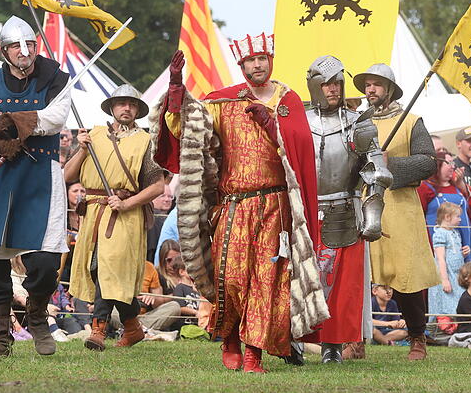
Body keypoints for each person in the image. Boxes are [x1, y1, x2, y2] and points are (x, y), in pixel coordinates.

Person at [155, 34, 328, 373]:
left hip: (275, 206)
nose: (257, 65)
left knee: (266, 280)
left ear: (270, 60)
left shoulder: (287, 100)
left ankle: (253, 355)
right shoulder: (221, 102)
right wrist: (176, 91)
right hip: (233, 206)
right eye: (250, 61)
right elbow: (189, 131)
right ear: (242, 65)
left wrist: (273, 126)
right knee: (230, 277)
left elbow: (302, 152)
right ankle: (231, 340)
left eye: (262, 58)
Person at [0, 15, 71, 357]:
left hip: (41, 176)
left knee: (44, 259)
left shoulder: (54, 77)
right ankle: (0, 335)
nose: (24, 52)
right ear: (5, 51)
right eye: (15, 46)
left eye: (29, 45)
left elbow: (56, 117)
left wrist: (17, 122)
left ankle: (37, 316)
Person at [66, 84, 165, 352]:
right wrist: (81, 149)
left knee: (106, 268)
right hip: (95, 212)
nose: (127, 108)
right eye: (121, 103)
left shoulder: (145, 141)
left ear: (137, 111)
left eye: (131, 105)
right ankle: (132, 327)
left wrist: (126, 202)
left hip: (125, 215)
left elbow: (157, 187)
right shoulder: (93, 135)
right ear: (112, 107)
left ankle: (98, 330)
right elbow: (67, 176)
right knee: (99, 268)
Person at [305, 55, 390, 363]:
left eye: (337, 83)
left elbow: (377, 171)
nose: (333, 89)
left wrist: (372, 215)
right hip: (305, 211)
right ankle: (293, 341)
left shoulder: (359, 124)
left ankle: (333, 347)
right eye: (326, 83)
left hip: (345, 210)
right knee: (301, 281)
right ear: (315, 86)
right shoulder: (298, 121)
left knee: (343, 289)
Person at [353, 63, 440, 361]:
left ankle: (417, 337)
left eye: (376, 84)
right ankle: (356, 339)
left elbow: (428, 162)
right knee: (361, 277)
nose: (371, 90)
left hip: (400, 206)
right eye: (367, 85)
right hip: (364, 203)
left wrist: (390, 164)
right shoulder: (357, 122)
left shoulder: (411, 121)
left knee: (406, 276)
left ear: (389, 89)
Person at [419, 156, 471, 252]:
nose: (452, 167)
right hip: (439, 242)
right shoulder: (425, 187)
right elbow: (419, 213)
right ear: (438, 165)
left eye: (453, 164)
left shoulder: (457, 185)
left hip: (464, 239)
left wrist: (461, 184)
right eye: (448, 163)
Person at [429, 202, 468, 318]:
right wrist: (444, 280)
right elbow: (440, 258)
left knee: (458, 302)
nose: (460, 220)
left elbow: (454, 253)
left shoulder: (455, 233)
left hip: (456, 276)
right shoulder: (440, 233)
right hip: (447, 275)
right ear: (447, 217)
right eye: (457, 216)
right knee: (447, 304)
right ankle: (443, 326)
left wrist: (463, 253)